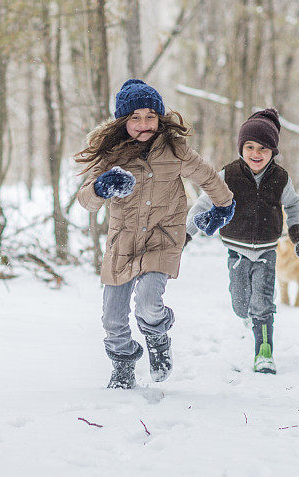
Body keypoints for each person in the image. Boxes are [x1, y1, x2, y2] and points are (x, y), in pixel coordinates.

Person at [76, 79, 235, 389]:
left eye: (150, 116)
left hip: (163, 239)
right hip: (122, 244)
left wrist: (224, 205)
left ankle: (157, 335)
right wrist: (101, 187)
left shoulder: (175, 150)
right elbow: (86, 200)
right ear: (123, 122)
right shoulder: (113, 156)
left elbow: (208, 176)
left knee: (149, 303)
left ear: (160, 118)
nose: (144, 124)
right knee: (113, 320)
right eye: (135, 117)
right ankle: (123, 364)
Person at [186, 108, 299, 374]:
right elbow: (202, 204)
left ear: (273, 152)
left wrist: (297, 231)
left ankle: (264, 352)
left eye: (263, 149)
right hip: (236, 251)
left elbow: (292, 205)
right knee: (240, 304)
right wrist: (185, 234)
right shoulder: (228, 175)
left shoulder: (281, 179)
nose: (256, 154)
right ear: (241, 147)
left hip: (267, 250)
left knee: (262, 304)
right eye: (250, 146)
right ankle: (249, 318)